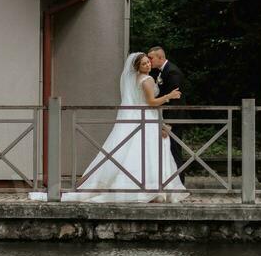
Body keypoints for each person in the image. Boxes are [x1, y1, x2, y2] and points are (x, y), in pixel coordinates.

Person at [30, 53, 188, 203]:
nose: (147, 65)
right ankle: (150, 187)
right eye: (144, 63)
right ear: (138, 67)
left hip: (140, 117)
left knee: (137, 151)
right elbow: (151, 102)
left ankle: (145, 187)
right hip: (146, 118)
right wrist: (169, 96)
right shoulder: (147, 79)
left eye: (148, 62)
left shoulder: (135, 78)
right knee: (148, 151)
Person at [148, 47, 187, 184]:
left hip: (173, 120)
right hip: (165, 118)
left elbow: (176, 101)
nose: (149, 60)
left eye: (151, 58)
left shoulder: (172, 72)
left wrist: (168, 123)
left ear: (160, 57)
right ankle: (172, 182)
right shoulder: (162, 71)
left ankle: (180, 183)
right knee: (169, 150)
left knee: (174, 150)